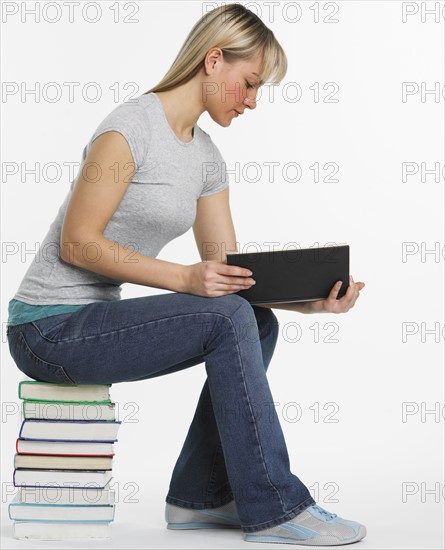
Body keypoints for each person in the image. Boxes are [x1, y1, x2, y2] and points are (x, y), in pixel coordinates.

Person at [6, 3, 367, 546]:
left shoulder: (206, 158)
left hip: (99, 320)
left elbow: (229, 278)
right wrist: (184, 278)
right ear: (213, 59)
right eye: (248, 84)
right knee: (228, 318)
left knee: (254, 320)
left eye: (259, 90)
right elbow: (77, 242)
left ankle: (198, 498)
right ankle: (274, 506)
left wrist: (310, 302)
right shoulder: (130, 127)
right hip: (46, 329)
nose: (252, 101)